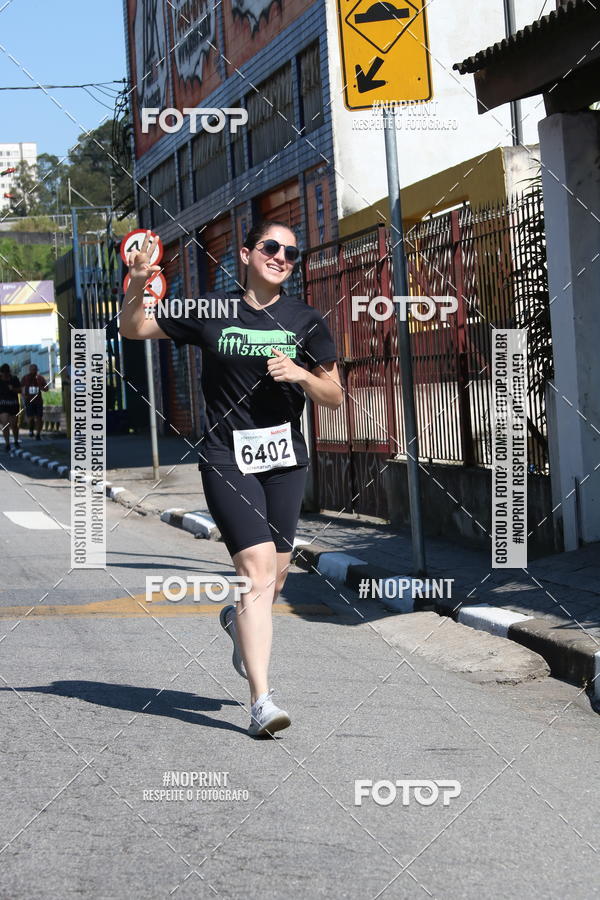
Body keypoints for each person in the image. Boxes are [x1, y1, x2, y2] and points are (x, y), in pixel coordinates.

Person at [120, 222, 343, 737]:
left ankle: (237, 627)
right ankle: (262, 701)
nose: (281, 256)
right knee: (258, 572)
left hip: (286, 460)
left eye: (291, 251)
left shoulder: (306, 319)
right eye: (271, 247)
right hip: (227, 458)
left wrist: (302, 376)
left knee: (276, 579)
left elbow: (334, 394)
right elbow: (135, 328)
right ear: (245, 254)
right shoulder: (209, 311)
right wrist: (137, 280)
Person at [21, 363, 48, 440]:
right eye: (32, 370)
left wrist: (41, 387)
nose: (34, 371)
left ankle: (38, 434)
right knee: (31, 418)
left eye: (35, 370)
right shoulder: (25, 378)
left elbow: (46, 389)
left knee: (39, 418)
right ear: (29, 370)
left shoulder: (40, 378)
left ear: (37, 370)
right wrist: (24, 396)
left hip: (38, 401)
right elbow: (21, 388)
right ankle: (31, 430)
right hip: (29, 401)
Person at [0, 363, 22, 450]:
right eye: (3, 373)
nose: (5, 375)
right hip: (2, 406)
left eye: (6, 373)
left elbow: (20, 390)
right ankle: (7, 443)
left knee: (14, 425)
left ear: (9, 372)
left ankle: (16, 441)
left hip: (13, 405)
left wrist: (12, 388)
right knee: (5, 424)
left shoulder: (14, 379)